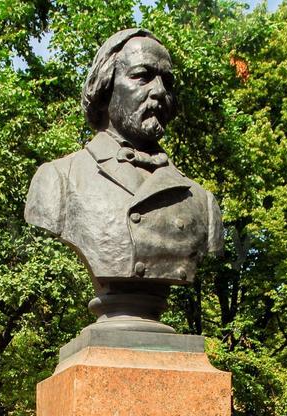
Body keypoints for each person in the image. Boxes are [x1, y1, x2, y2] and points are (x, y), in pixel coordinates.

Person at [24, 29, 223, 301]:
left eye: (166, 81)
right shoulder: (58, 179)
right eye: (142, 76)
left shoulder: (202, 202)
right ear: (105, 88)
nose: (159, 91)